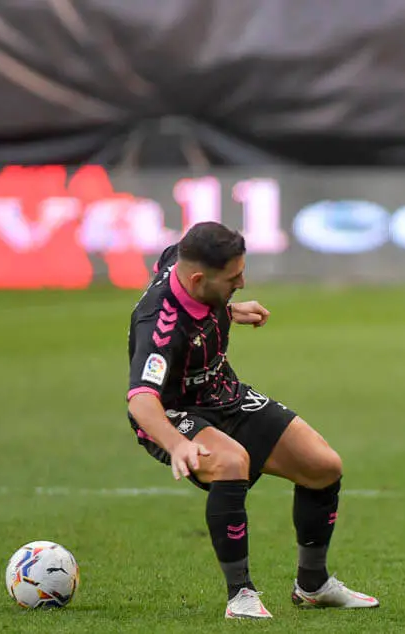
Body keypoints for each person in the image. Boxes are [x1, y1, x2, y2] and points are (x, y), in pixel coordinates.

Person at [126, 221, 379, 619]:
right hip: (174, 414)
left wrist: (226, 308)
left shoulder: (182, 257)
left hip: (224, 392)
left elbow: (179, 268)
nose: (243, 282)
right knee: (230, 462)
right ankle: (240, 596)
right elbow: (141, 400)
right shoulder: (159, 326)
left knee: (323, 466)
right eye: (233, 278)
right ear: (196, 279)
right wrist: (177, 444)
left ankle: (313, 586)